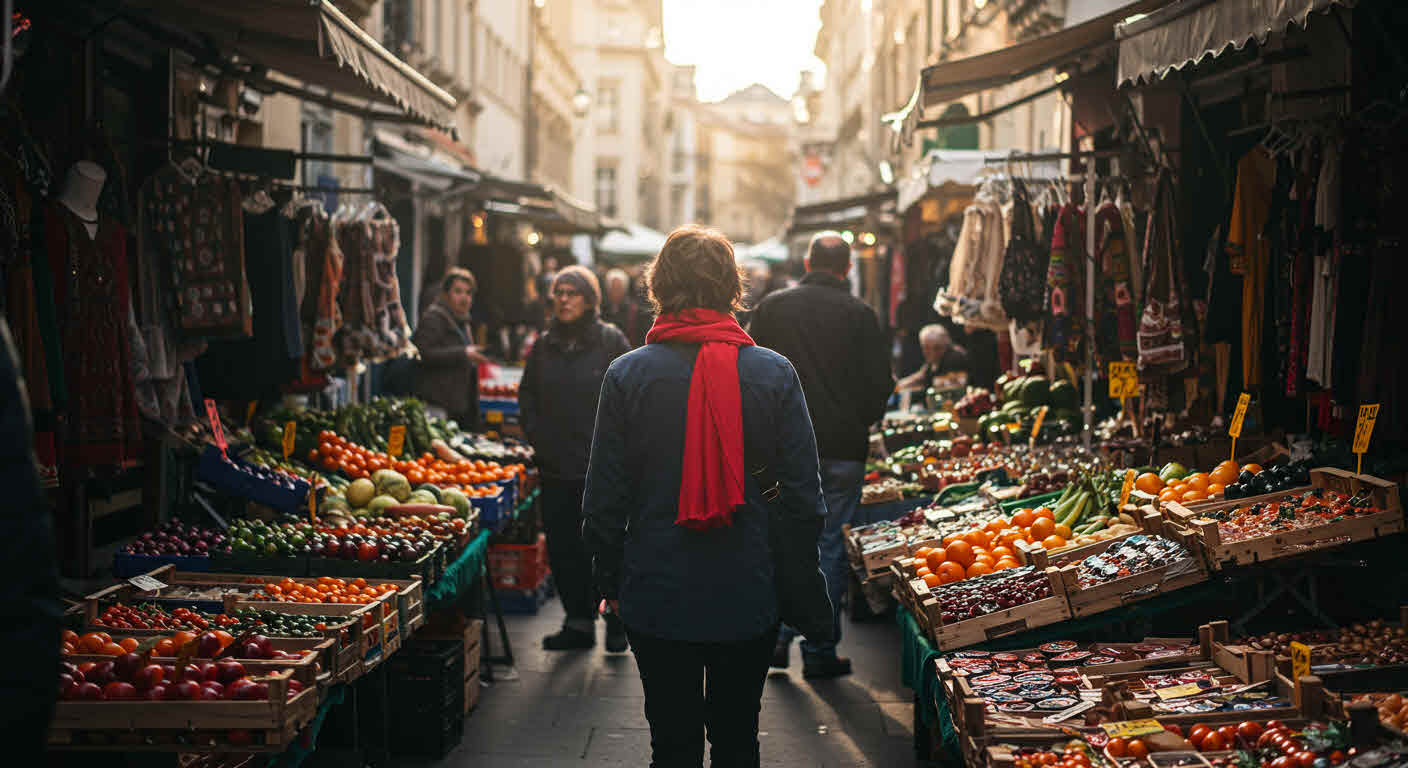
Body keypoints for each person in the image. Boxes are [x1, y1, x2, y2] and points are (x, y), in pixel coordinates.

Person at [582, 226, 827, 767]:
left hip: (655, 588)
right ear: (731, 288)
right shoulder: (773, 373)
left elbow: (602, 500)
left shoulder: (626, 375)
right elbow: (807, 499)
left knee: (671, 743)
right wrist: (794, 574)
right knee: (738, 739)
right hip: (749, 586)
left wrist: (609, 583)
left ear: (659, 285)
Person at [747, 230, 894, 678]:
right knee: (829, 545)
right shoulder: (860, 314)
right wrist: (858, 421)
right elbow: (880, 384)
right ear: (848, 268)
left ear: (807, 262)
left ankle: (775, 637)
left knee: (780, 539)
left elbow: (748, 369)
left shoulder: (773, 307)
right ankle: (820, 649)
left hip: (779, 447)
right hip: (842, 449)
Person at [519, 265, 632, 651]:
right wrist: (539, 437)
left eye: (571, 292)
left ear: (589, 299)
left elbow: (631, 397)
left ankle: (617, 620)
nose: (563, 299)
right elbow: (528, 396)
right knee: (564, 546)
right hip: (556, 466)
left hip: (601, 468)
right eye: (558, 293)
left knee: (606, 546)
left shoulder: (610, 341)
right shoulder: (544, 345)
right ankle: (579, 621)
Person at [412, 268, 489, 429]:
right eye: (458, 292)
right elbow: (422, 353)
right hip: (436, 404)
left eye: (468, 293)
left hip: (458, 407)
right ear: (446, 295)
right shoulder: (434, 318)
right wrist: (463, 353)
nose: (464, 298)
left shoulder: (463, 322)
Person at [896, 323, 971, 392]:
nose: (932, 352)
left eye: (937, 348)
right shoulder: (934, 361)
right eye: (926, 348)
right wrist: (897, 386)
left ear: (946, 344)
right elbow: (920, 377)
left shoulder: (955, 358)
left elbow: (954, 387)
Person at [600, 267, 647, 347]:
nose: (615, 292)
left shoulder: (635, 311)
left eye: (618, 288)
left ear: (625, 289)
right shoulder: (602, 310)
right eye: (612, 288)